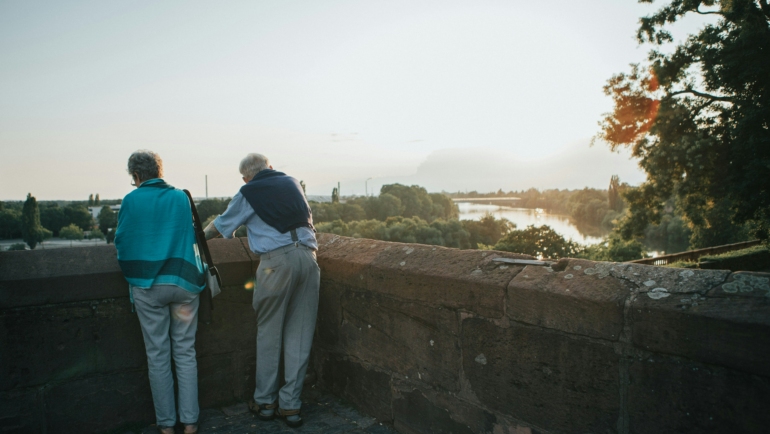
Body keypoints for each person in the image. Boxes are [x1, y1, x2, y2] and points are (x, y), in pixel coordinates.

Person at [204, 153, 319, 428]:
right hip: (309, 258)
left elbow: (219, 227)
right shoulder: (292, 182)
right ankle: (291, 406)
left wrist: (194, 238)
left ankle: (265, 402)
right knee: (300, 336)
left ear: (245, 177)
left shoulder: (248, 191)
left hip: (276, 263)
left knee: (269, 333)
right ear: (271, 167)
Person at [115, 150, 205, 434]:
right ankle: (190, 422)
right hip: (183, 283)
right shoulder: (181, 197)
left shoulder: (131, 200)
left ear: (136, 176)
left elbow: (123, 241)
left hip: (148, 286)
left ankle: (166, 425)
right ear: (160, 170)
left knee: (157, 355)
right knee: (185, 352)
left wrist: (136, 276)